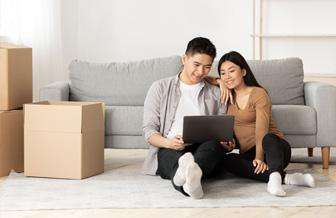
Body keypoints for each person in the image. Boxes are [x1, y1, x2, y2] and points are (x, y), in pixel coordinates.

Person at [212, 51, 315, 196]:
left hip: (274, 149)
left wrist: (259, 157)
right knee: (226, 160)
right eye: (223, 73)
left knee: (269, 138)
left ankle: (274, 179)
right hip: (249, 152)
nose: (227, 76)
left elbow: (262, 129)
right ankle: (287, 178)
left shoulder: (258, 93)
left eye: (231, 71)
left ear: (243, 71)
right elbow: (202, 78)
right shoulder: (227, 96)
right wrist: (218, 82)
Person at [142, 37, 229, 199]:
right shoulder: (160, 88)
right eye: (196, 65)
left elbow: (222, 128)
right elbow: (149, 131)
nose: (201, 72)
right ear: (184, 59)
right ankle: (190, 183)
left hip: (204, 147)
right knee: (172, 157)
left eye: (207, 67)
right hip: (170, 146)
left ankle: (190, 175)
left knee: (213, 146)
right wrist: (169, 143)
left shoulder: (216, 92)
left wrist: (226, 141)